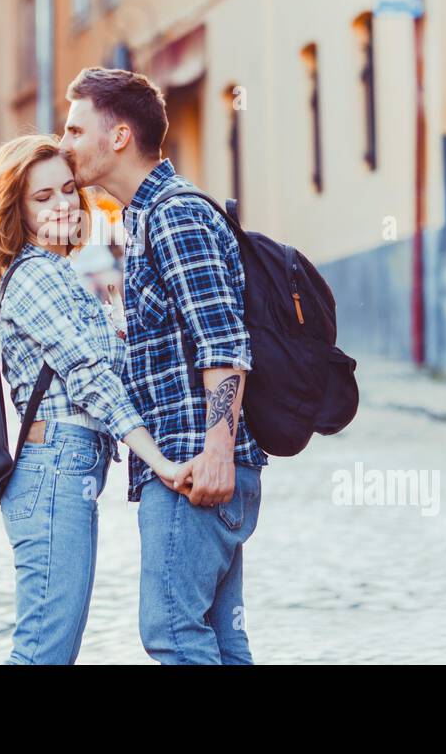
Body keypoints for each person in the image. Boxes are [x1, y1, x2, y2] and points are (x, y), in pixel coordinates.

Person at [58, 66, 267, 665]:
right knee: (220, 640)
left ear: (118, 136)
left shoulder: (173, 215)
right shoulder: (143, 221)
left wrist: (218, 452)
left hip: (195, 469)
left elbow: (223, 342)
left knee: (173, 633)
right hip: (193, 468)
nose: (64, 145)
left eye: (76, 130)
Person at [0, 134, 193, 665]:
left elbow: (104, 364)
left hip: (68, 471)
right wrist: (156, 458)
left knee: (51, 650)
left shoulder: (62, 273)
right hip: (52, 473)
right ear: (15, 211)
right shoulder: (35, 274)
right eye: (42, 198)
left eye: (68, 190)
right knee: (42, 651)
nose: (64, 204)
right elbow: (90, 379)